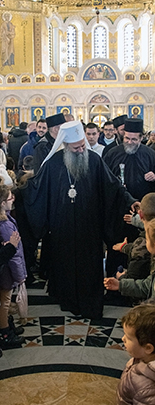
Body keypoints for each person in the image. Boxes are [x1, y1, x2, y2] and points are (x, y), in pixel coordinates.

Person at [20, 120, 138, 319]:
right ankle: (68, 299)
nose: (81, 149)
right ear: (66, 145)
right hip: (62, 226)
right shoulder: (54, 163)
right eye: (76, 147)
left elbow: (113, 186)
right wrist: (19, 192)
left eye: (83, 145)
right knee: (64, 262)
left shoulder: (93, 159)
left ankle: (89, 299)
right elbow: (38, 189)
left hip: (89, 225)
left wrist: (130, 200)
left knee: (88, 264)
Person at [113, 302, 155, 405]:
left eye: (129, 337)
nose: (123, 338)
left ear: (148, 348)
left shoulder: (147, 389)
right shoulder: (141, 359)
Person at [0, 183, 26, 348]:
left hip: (7, 270)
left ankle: (7, 326)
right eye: (10, 197)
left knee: (5, 301)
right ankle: (4, 332)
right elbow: (14, 254)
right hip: (7, 271)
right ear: (2, 203)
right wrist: (20, 275)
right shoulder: (4, 225)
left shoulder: (5, 220)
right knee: (4, 303)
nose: (13, 199)